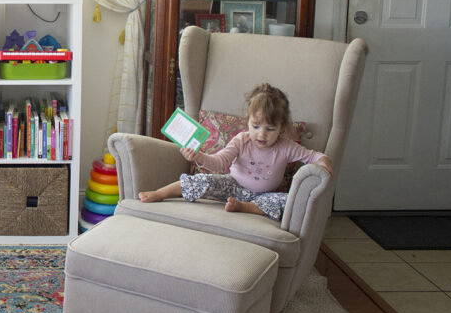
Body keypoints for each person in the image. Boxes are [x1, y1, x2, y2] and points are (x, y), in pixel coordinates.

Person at [138, 83, 333, 220]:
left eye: (270, 129)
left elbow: (313, 156)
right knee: (202, 180)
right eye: (256, 126)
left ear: (281, 128)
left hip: (263, 196)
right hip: (233, 185)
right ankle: (161, 193)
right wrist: (199, 157)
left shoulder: (286, 147)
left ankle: (245, 208)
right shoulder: (242, 140)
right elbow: (219, 162)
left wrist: (323, 161)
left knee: (289, 201)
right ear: (248, 121)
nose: (261, 134)